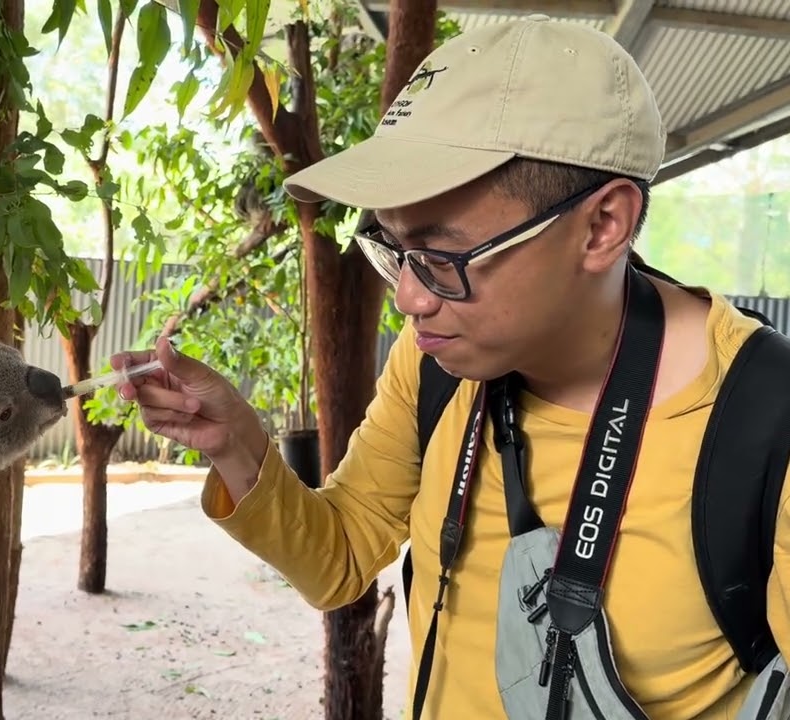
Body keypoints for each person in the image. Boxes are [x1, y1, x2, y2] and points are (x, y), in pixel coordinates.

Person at [110, 14, 790, 720]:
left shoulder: (763, 419)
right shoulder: (438, 362)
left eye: (442, 257)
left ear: (601, 226)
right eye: (396, 249)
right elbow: (339, 557)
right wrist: (236, 445)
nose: (408, 297)